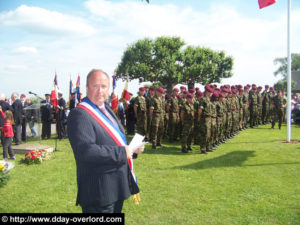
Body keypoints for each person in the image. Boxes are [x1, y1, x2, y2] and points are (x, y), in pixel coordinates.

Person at [67, 69, 144, 213]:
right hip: (98, 191)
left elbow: (114, 141)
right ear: (87, 88)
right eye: (95, 86)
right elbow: (86, 151)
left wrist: (132, 150)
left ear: (109, 89)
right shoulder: (79, 114)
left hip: (117, 187)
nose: (100, 91)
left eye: (104, 87)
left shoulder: (106, 109)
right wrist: (122, 152)